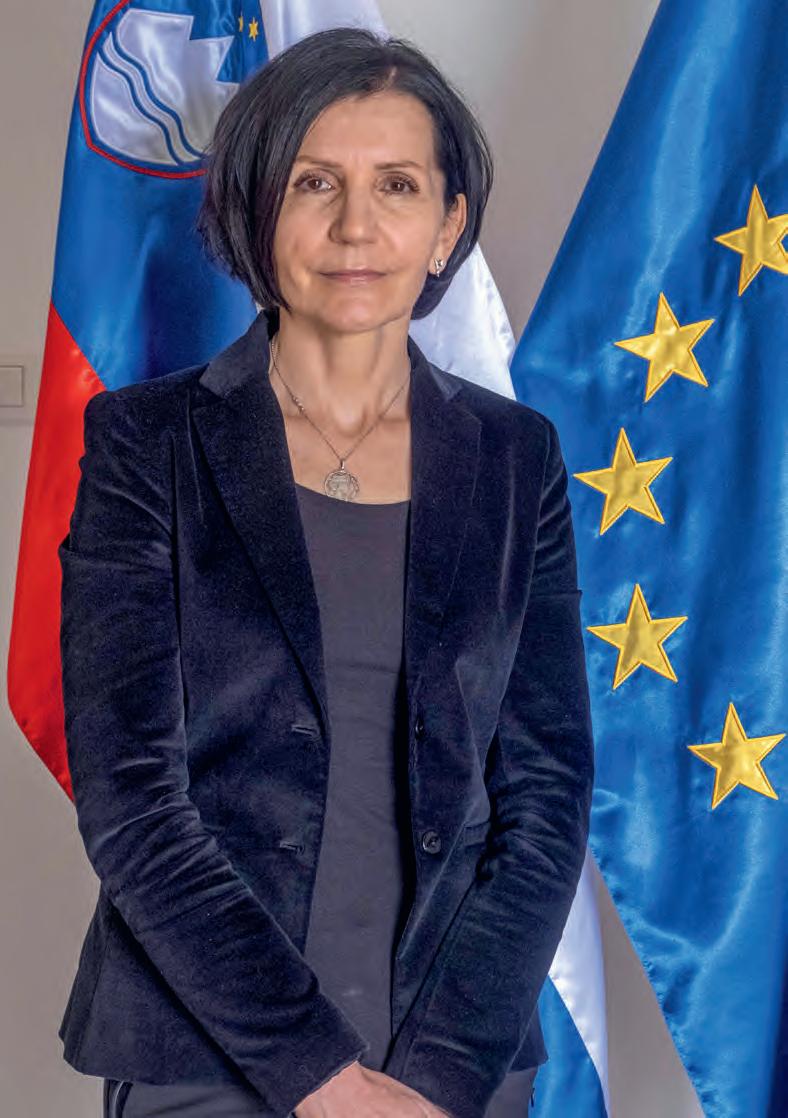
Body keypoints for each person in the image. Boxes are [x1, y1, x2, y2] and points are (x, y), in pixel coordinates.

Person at [58, 27, 595, 1118]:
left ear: (447, 227)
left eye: (397, 185)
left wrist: (439, 1078)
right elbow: (133, 801)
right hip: (209, 1051)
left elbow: (546, 795)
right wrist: (320, 1077)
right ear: (255, 209)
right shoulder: (144, 445)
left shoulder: (516, 457)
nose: (357, 225)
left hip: (457, 1059)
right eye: (314, 182)